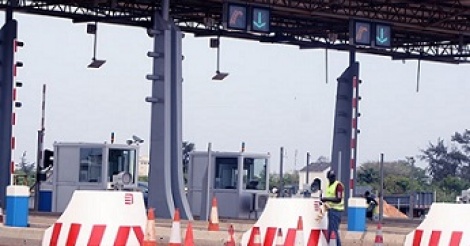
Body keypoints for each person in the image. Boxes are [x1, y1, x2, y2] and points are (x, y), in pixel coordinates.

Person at [321, 170, 344, 246]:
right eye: (331, 177)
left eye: (333, 177)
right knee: (331, 231)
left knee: (333, 231)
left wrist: (326, 199)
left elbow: (338, 199)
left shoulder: (338, 185)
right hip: (331, 210)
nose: (332, 178)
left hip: (336, 211)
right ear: (328, 178)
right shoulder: (328, 186)